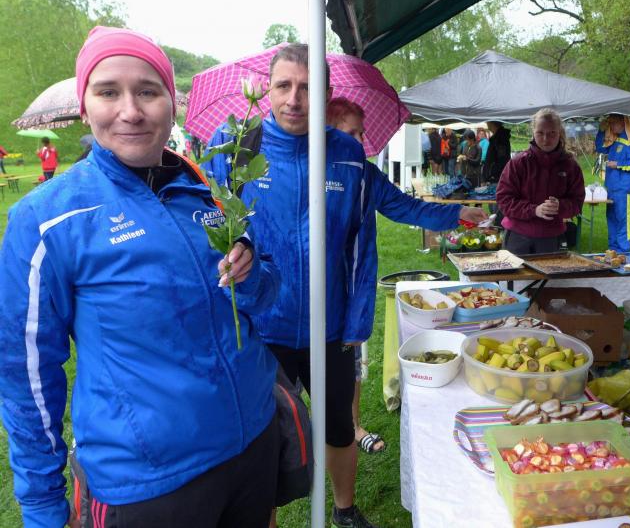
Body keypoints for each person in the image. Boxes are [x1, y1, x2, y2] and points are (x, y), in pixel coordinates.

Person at [0, 26, 282, 528]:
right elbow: (26, 376)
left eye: (148, 92)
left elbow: (263, 296)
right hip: (149, 483)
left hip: (251, 445)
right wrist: (43, 506)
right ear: (84, 107)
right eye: (108, 92)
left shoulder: (205, 188)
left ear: (172, 105)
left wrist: (252, 274)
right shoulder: (46, 219)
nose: (130, 111)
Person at [204, 44, 379, 528]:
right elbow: (211, 221)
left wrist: (358, 317)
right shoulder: (238, 147)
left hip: (330, 324)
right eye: (284, 86)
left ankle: (344, 510)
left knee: (338, 426)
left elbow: (362, 240)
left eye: (308, 87)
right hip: (263, 324)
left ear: (326, 93)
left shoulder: (347, 153)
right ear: (267, 89)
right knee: (265, 440)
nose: (295, 99)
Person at [326, 97, 486, 455]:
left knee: (350, 362)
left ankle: (352, 425)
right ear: (328, 133)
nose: (360, 141)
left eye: (361, 133)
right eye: (351, 133)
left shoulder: (366, 174)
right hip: (303, 294)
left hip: (350, 288)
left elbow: (405, 207)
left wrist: (457, 213)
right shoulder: (305, 170)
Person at [496, 108, 585, 255]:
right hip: (518, 237)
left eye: (552, 133)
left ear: (560, 133)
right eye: (540, 133)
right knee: (516, 271)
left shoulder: (570, 166)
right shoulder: (518, 163)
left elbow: (577, 202)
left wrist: (560, 206)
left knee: (550, 272)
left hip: (551, 238)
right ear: (533, 132)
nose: (545, 139)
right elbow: (503, 199)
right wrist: (534, 210)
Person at [595, 113, 630, 251]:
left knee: (622, 220)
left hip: (623, 189)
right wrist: (601, 131)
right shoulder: (615, 139)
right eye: (610, 123)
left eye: (614, 123)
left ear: (623, 122)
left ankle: (624, 251)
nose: (612, 126)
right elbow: (600, 148)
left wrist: (618, 164)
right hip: (611, 188)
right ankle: (613, 249)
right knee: (611, 218)